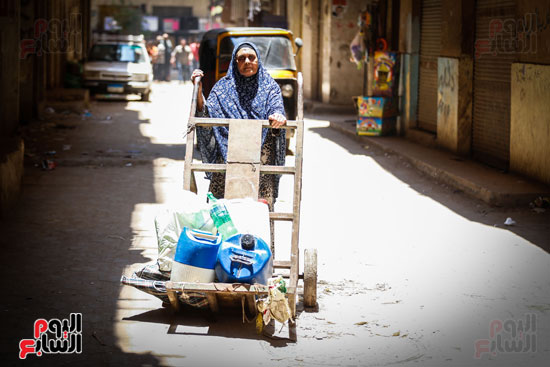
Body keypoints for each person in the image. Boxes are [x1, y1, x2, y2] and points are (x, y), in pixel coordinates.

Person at [191, 42, 287, 250]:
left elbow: (277, 109)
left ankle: (261, 259)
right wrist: (198, 89)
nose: (247, 62)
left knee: (259, 212)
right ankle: (215, 258)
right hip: (227, 164)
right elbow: (206, 113)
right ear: (235, 62)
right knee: (221, 211)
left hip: (260, 166)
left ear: (258, 61)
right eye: (241, 58)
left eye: (251, 58)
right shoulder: (222, 88)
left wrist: (278, 118)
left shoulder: (269, 87)